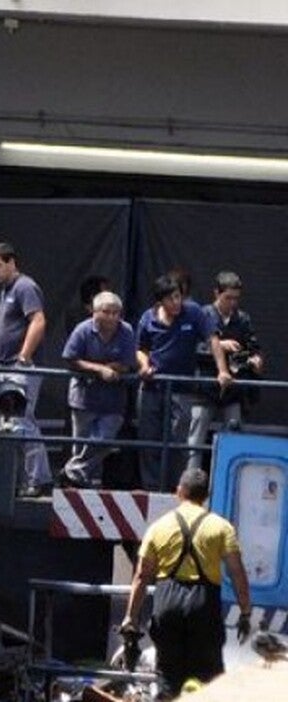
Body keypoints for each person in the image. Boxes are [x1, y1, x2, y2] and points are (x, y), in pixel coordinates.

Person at [121, 468, 252, 700]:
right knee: (208, 678)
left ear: (179, 492)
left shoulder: (158, 527)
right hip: (204, 605)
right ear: (205, 496)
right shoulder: (221, 527)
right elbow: (237, 573)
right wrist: (245, 612)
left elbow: (141, 576)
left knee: (169, 678)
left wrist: (130, 618)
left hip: (167, 603)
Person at [135, 275, 231, 491]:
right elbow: (141, 349)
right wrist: (144, 366)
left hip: (182, 389)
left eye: (178, 296)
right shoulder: (147, 319)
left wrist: (222, 370)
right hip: (152, 387)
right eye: (170, 299)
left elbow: (213, 340)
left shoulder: (194, 312)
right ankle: (151, 487)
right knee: (148, 440)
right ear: (159, 302)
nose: (176, 302)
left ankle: (173, 488)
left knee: (178, 441)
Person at [0, 242, 50, 496]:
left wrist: (24, 356)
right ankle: (26, 478)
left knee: (22, 421)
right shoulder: (6, 291)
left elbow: (38, 320)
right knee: (14, 422)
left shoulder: (25, 287)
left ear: (12, 262)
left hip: (20, 366)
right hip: (6, 364)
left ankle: (37, 479)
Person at [188, 271, 264, 471]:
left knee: (235, 439)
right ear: (216, 294)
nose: (232, 303)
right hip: (205, 387)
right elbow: (191, 348)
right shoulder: (202, 316)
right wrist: (220, 345)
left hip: (232, 391)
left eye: (236, 298)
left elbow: (251, 347)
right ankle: (190, 484)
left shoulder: (243, 319)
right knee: (194, 441)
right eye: (228, 298)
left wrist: (254, 359)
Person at [60, 292, 136, 488]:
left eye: (116, 313)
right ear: (95, 312)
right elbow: (70, 358)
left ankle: (71, 472)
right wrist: (99, 369)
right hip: (84, 397)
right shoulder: (83, 330)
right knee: (81, 444)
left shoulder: (126, 331)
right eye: (106, 312)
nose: (111, 317)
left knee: (104, 440)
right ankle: (83, 482)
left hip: (113, 400)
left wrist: (114, 369)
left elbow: (128, 363)